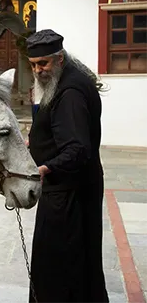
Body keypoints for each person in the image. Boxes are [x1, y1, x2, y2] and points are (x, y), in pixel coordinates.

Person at [25, 29, 109, 303]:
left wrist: (43, 169)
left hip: (69, 194)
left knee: (60, 267)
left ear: (59, 59)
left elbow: (77, 149)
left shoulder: (70, 92)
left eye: (43, 64)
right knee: (78, 262)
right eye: (33, 65)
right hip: (71, 190)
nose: (38, 71)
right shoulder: (64, 79)